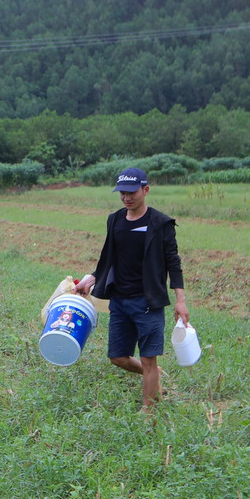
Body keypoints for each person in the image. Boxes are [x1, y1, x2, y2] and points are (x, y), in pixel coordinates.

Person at [75, 168, 189, 411]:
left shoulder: (160, 223)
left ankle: (149, 411)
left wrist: (181, 300)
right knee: (117, 357)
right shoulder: (115, 220)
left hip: (148, 302)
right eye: (122, 193)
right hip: (120, 300)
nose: (127, 198)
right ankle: (153, 374)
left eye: (132, 193)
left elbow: (173, 262)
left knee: (148, 357)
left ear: (145, 190)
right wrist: (91, 279)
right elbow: (108, 258)